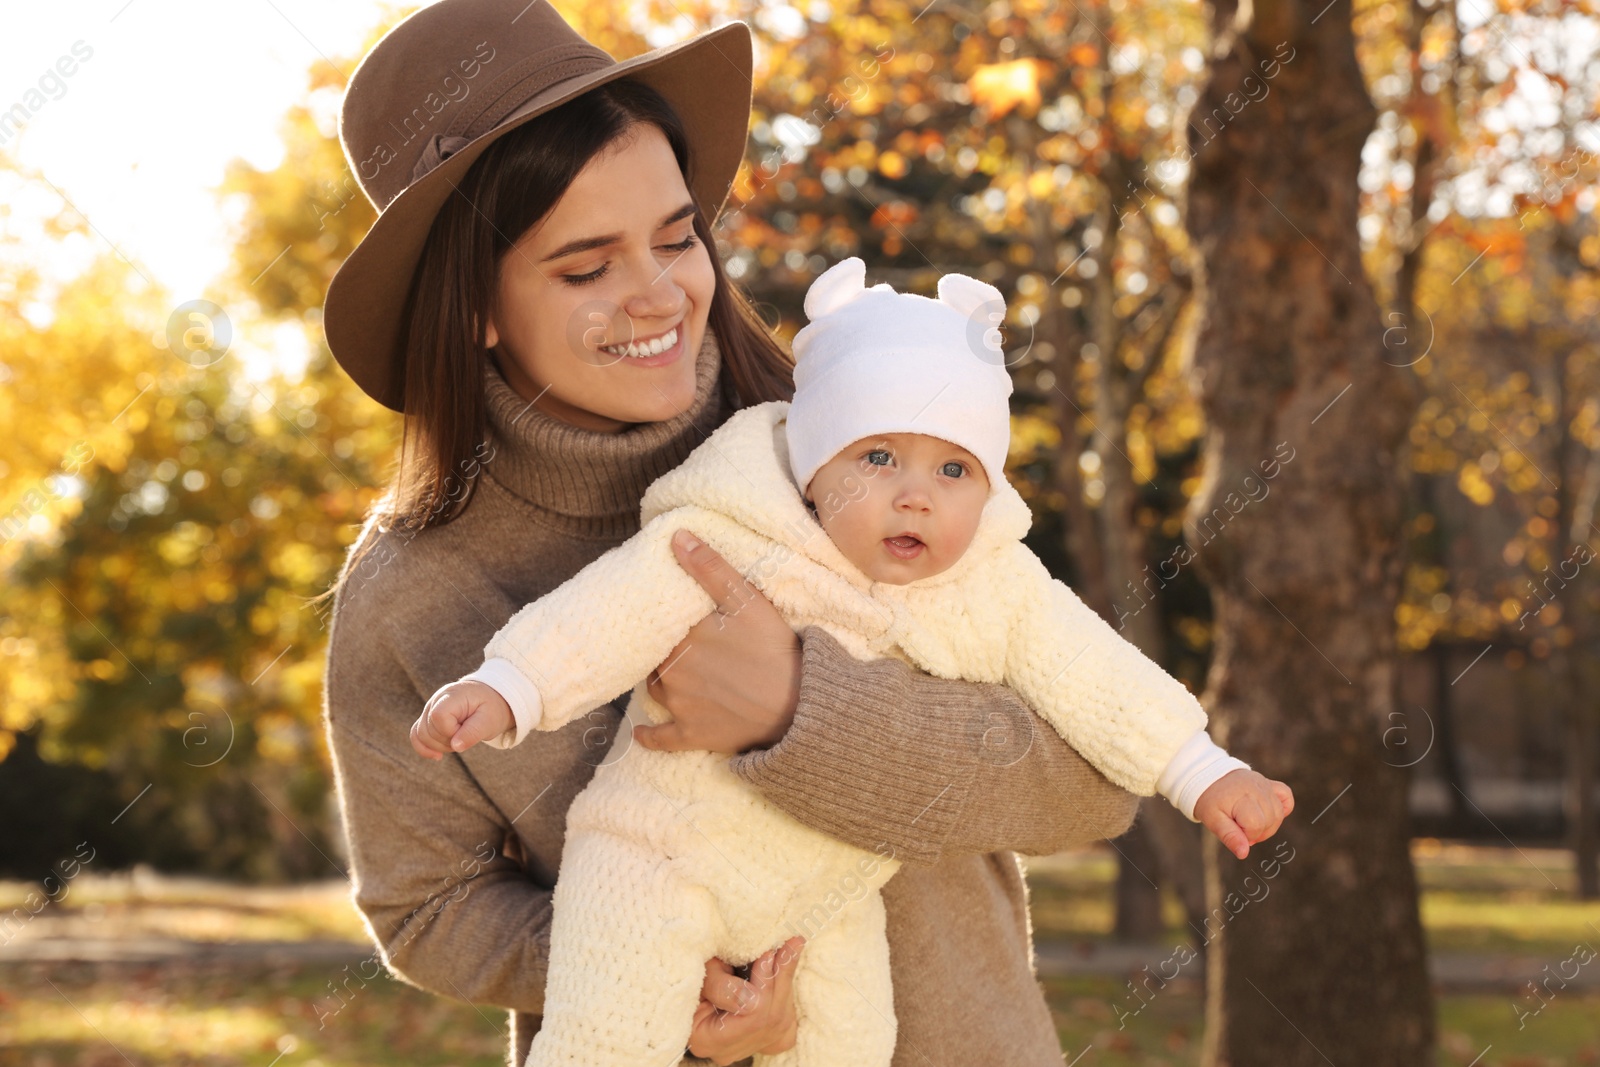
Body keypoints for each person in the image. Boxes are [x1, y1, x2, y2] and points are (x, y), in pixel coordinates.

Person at [319, 2, 1147, 1064]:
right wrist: (686, 978)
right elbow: (427, 910)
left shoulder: (864, 450)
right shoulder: (415, 594)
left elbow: (1096, 774)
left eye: (676, 238)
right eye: (587, 267)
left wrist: (800, 710)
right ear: (474, 300)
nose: (661, 293)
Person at [413, 256, 1296, 1065]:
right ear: (812, 463)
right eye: (878, 456)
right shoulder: (730, 534)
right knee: (608, 1024)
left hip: (825, 896)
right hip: (659, 855)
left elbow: (1094, 676)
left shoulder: (993, 586)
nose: (915, 493)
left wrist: (1201, 769)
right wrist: (511, 685)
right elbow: (606, 614)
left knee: (856, 1039)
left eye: (955, 470)